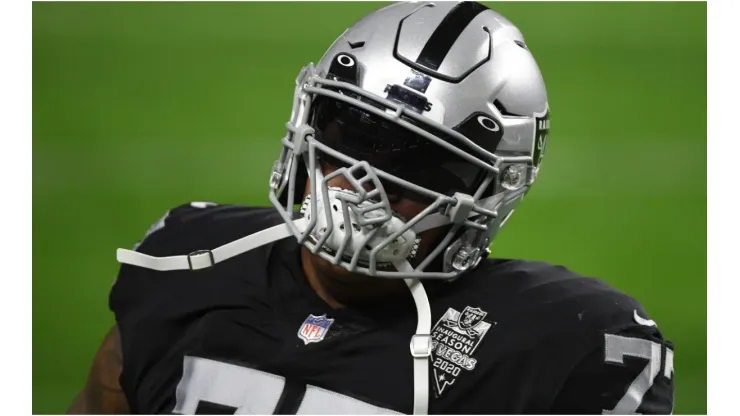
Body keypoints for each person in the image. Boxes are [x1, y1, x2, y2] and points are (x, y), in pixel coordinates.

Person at [68, 1, 674, 414]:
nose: (364, 185)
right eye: (351, 135)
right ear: (309, 122)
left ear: (492, 191)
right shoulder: (185, 265)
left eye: (422, 165)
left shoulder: (561, 345)